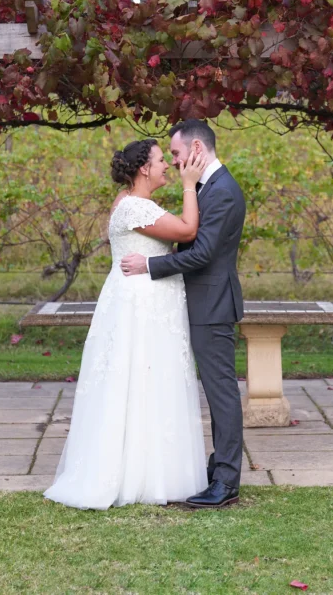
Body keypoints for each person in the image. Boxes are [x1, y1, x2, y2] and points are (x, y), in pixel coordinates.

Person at [43, 138, 209, 510]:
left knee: (145, 383)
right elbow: (187, 231)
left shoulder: (130, 201)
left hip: (144, 301)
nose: (167, 165)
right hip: (143, 307)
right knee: (143, 382)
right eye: (162, 160)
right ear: (144, 168)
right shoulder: (134, 206)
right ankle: (138, 476)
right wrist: (189, 184)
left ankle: (149, 472)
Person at [120, 119, 247, 509]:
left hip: (211, 305)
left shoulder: (222, 190)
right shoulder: (209, 186)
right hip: (201, 302)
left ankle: (226, 481)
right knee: (216, 391)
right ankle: (218, 467)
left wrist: (150, 265)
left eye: (175, 153)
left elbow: (203, 253)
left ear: (196, 149)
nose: (173, 162)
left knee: (221, 393)